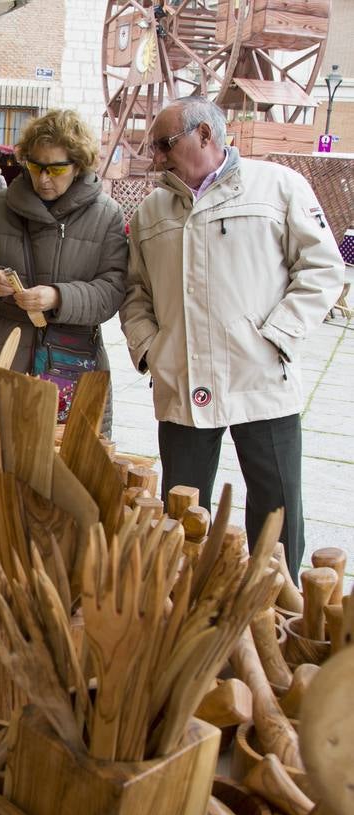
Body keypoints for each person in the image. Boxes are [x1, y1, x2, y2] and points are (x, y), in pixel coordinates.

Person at [120, 96, 344, 578]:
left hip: (260, 379)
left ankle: (276, 607)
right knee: (182, 504)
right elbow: (135, 292)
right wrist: (150, 350)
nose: (155, 156)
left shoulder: (279, 186)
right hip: (181, 379)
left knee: (276, 508)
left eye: (164, 143)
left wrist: (278, 337)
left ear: (205, 135)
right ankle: (181, 600)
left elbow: (324, 269)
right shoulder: (151, 210)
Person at [0, 109, 128, 430]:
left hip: (72, 360)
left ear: (78, 164)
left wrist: (60, 296)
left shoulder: (107, 214)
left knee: (66, 463)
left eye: (56, 169)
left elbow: (113, 292)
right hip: (3, 352)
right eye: (35, 166)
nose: (43, 178)